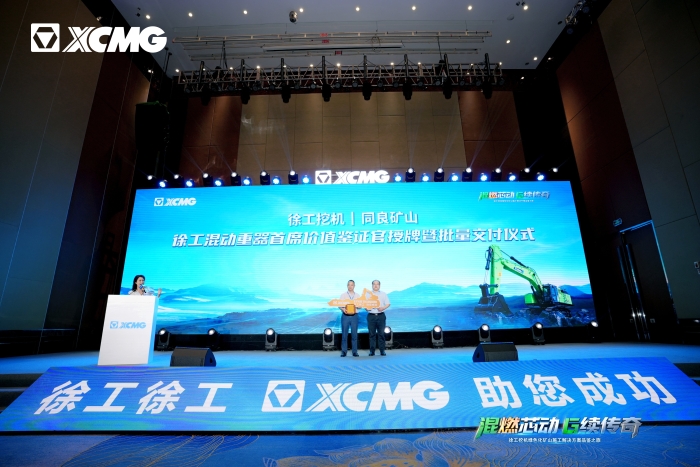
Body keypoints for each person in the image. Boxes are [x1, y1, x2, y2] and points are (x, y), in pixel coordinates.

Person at [365, 279, 390, 356]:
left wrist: (383, 308)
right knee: (371, 334)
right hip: (371, 316)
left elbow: (388, 303)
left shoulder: (383, 294)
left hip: (381, 316)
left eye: (377, 284)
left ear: (379, 285)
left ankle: (382, 350)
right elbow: (365, 305)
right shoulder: (367, 294)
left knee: (381, 334)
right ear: (372, 285)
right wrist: (367, 308)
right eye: (374, 284)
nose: (375, 285)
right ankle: (372, 351)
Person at [339, 280, 360, 357]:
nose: (350, 286)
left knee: (354, 335)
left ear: (354, 286)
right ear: (347, 286)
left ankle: (355, 352)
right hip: (345, 316)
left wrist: (357, 306)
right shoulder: (343, 295)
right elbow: (339, 305)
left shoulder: (358, 295)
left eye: (352, 285)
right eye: (349, 285)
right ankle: (344, 351)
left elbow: (360, 306)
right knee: (344, 335)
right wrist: (343, 309)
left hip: (354, 316)